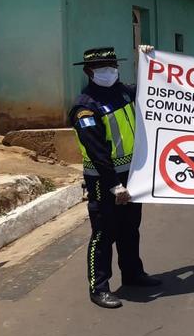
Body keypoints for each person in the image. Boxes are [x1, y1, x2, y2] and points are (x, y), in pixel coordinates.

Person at [69, 46, 161, 309]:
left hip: (131, 175)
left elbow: (154, 87)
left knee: (130, 228)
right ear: (89, 72)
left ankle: (133, 274)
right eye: (102, 69)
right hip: (103, 180)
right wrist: (114, 185)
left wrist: (149, 59)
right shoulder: (85, 107)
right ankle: (99, 287)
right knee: (104, 233)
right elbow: (97, 151)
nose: (109, 72)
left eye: (113, 66)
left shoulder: (123, 92)